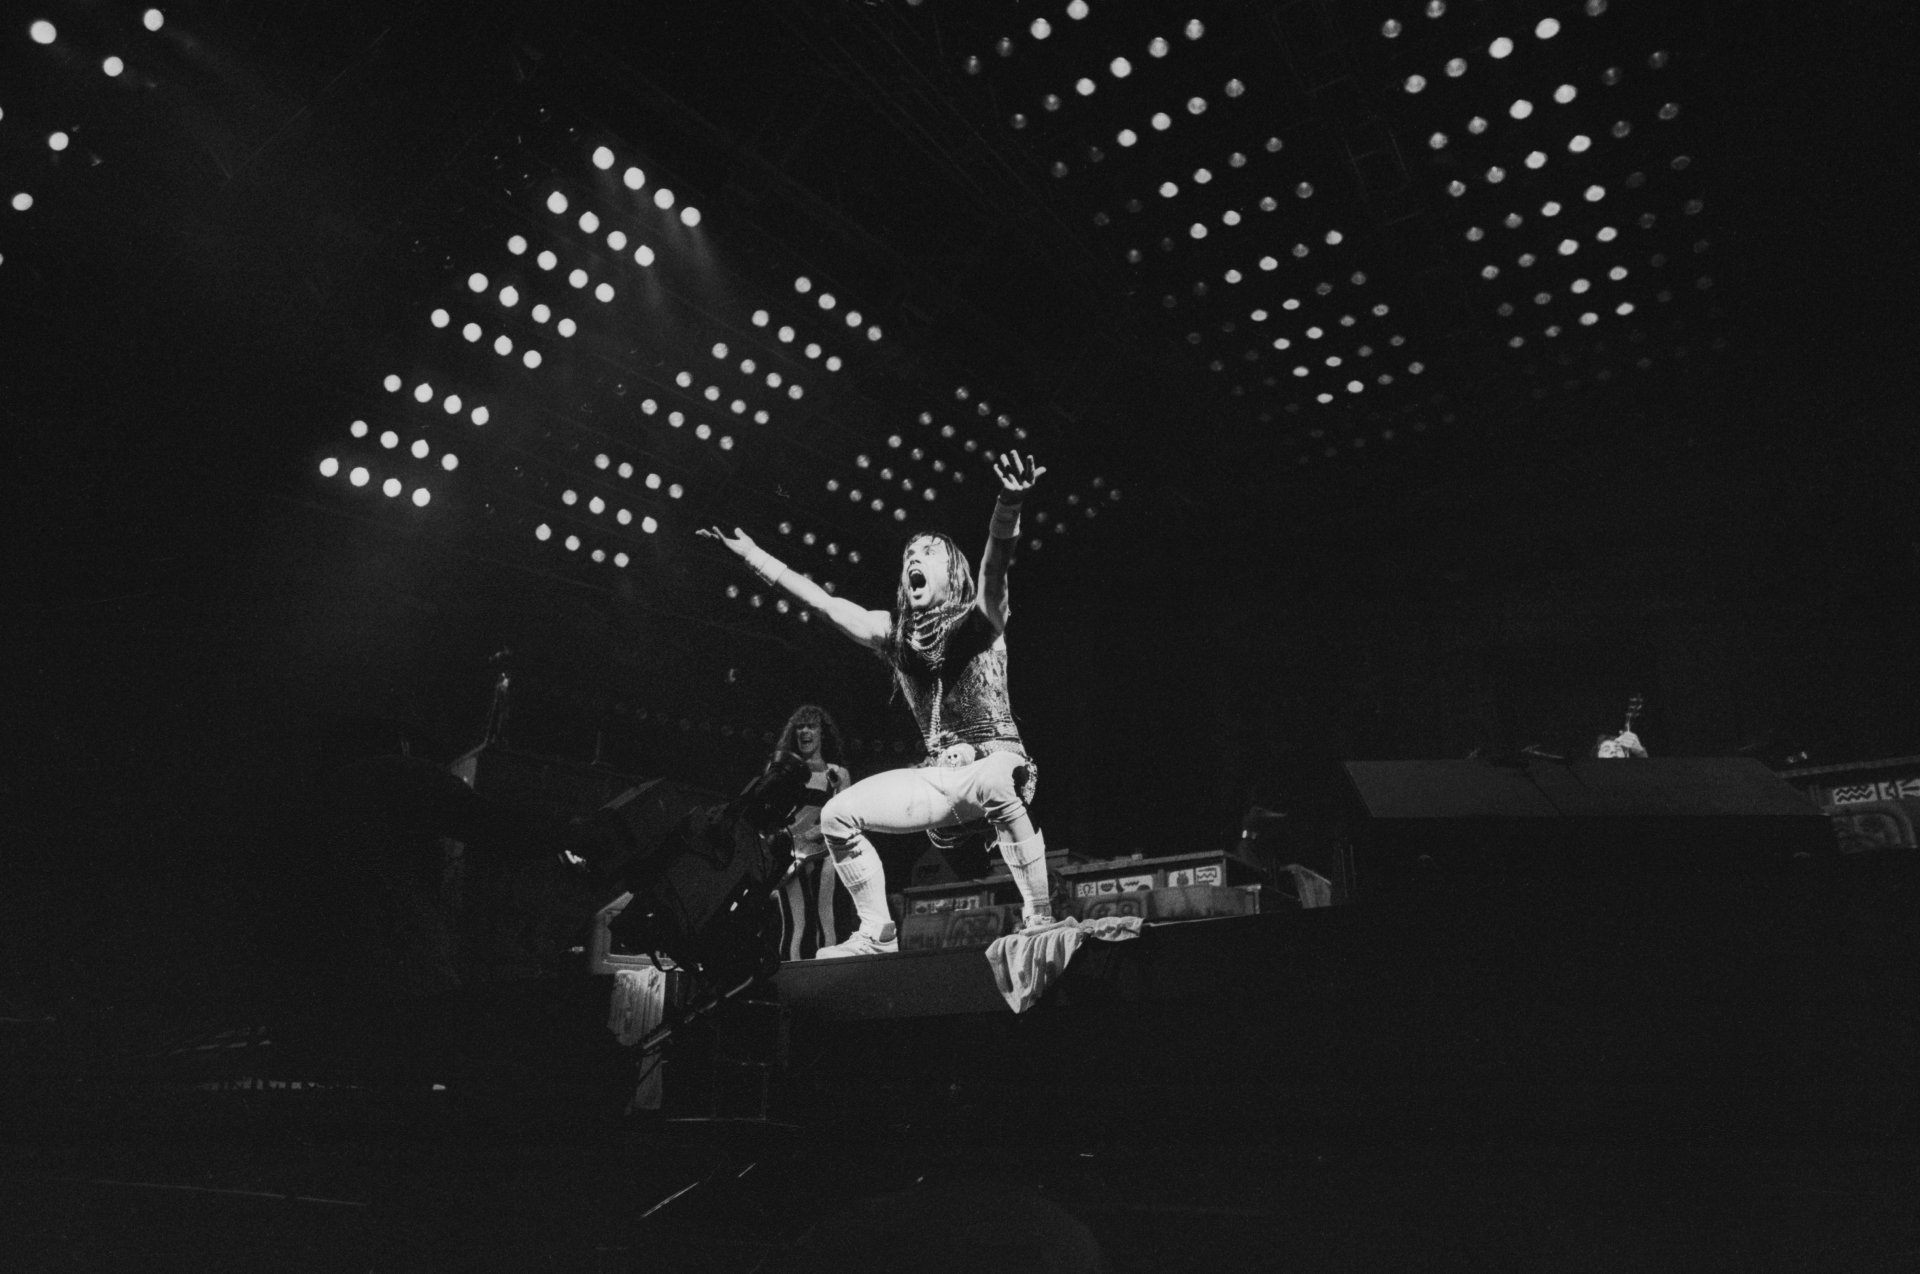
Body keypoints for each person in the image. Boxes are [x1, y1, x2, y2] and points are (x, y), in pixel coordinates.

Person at [700, 452, 1055, 957]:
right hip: (939, 778)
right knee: (838, 816)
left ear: (952, 570)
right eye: (910, 552)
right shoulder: (893, 633)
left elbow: (995, 564)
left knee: (996, 778)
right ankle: (877, 932)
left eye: (929, 552)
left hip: (997, 765)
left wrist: (1008, 505)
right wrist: (754, 556)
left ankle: (1040, 917)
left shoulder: (983, 618)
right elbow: (822, 602)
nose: (915, 556)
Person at [768, 704, 858, 960]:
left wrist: (816, 831)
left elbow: (845, 816)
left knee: (825, 919)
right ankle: (791, 982)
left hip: (824, 854)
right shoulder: (781, 770)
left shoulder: (837, 773)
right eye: (800, 727)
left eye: (811, 726)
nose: (804, 731)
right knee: (795, 924)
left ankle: (824, 974)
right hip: (791, 853)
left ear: (822, 733)